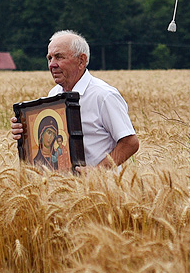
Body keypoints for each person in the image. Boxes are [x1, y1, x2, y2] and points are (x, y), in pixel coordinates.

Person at [9, 30, 139, 169]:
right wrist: (26, 132)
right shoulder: (54, 95)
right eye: (49, 58)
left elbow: (130, 143)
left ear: (81, 61)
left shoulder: (104, 95)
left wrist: (97, 172)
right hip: (62, 186)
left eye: (59, 57)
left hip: (99, 188)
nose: (52, 65)